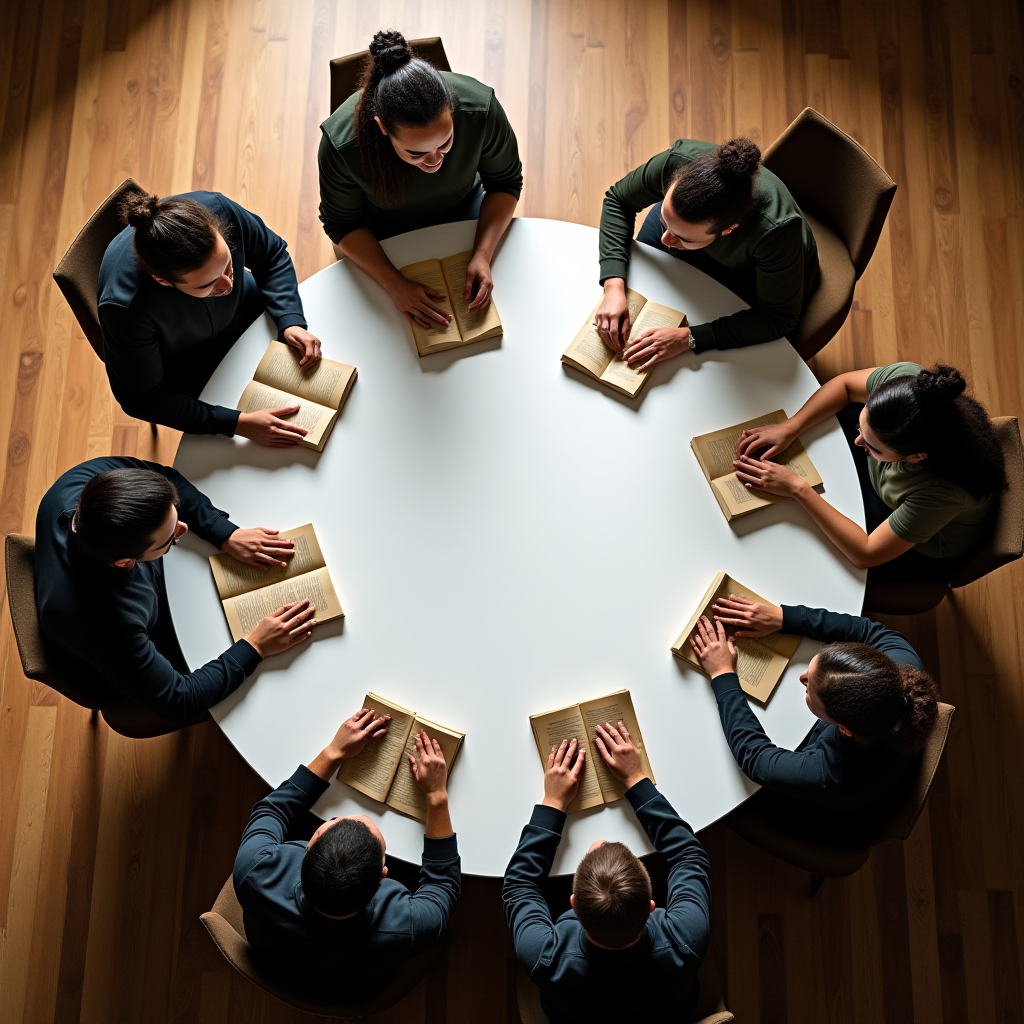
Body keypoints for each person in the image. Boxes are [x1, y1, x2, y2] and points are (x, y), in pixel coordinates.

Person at [34, 457, 316, 722]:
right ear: (124, 561)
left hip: (152, 598)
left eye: (175, 517)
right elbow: (178, 701)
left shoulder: (80, 482)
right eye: (170, 539)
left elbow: (166, 478)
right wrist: (256, 646)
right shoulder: (106, 624)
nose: (183, 528)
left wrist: (223, 532)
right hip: (136, 652)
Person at [234, 706, 461, 992]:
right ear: (384, 876)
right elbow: (443, 886)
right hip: (351, 983)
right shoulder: (408, 927)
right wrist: (436, 795)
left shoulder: (254, 870)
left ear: (308, 845)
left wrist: (333, 752)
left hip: (277, 954)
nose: (361, 817)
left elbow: (273, 809)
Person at [502, 722, 711, 1024]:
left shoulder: (543, 957)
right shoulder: (687, 938)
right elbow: (688, 856)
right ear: (651, 906)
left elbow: (519, 886)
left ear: (572, 904)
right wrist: (637, 780)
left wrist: (554, 801)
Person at [318, 30, 522, 332]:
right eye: (416, 153)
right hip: (380, 232)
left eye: (446, 142)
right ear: (382, 128)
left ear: (452, 110)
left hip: (465, 208)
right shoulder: (342, 145)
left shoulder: (480, 108)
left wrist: (483, 254)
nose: (435, 161)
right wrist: (394, 284)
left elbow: (506, 183)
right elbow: (341, 224)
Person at [689, 597, 939, 839]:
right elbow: (869, 631)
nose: (802, 679)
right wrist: (784, 618)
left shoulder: (832, 774)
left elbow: (755, 759)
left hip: (821, 817)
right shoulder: (901, 667)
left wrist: (722, 673)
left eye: (809, 689)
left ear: (844, 728)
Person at [730, 362, 1006, 581]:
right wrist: (792, 426)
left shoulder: (942, 493)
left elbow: (866, 553)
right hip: (891, 480)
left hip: (912, 537)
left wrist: (797, 488)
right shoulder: (907, 387)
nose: (857, 441)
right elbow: (846, 386)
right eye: (863, 428)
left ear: (914, 457)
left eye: (871, 445)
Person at [99, 190, 323, 442]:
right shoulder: (125, 309)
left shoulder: (219, 210)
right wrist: (237, 424)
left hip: (247, 308)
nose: (228, 284)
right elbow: (144, 401)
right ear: (163, 281)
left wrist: (290, 318)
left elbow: (271, 255)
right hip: (188, 364)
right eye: (208, 284)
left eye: (227, 263)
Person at [595, 136, 820, 369]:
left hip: (748, 270)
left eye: (682, 238)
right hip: (711, 244)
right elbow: (618, 201)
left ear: (728, 230)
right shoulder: (676, 162)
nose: (666, 240)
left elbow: (777, 317)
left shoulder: (777, 233)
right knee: (642, 287)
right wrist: (613, 286)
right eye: (665, 219)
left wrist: (688, 338)